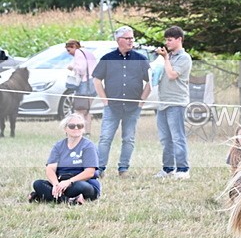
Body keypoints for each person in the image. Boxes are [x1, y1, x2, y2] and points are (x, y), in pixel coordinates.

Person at [92, 26, 152, 178]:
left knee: (129, 139)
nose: (131, 41)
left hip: (133, 108)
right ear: (119, 40)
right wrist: (105, 101)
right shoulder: (107, 58)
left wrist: (141, 102)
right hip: (112, 107)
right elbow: (97, 79)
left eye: (132, 38)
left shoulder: (141, 59)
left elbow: (151, 81)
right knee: (105, 138)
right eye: (128, 38)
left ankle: (123, 168)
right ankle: (100, 169)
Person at [28, 112, 101, 205]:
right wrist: (55, 184)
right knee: (38, 184)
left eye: (80, 126)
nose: (76, 128)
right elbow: (50, 168)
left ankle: (43, 196)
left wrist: (69, 182)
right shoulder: (58, 146)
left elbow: (89, 172)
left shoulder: (88, 146)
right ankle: (69, 200)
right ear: (65, 128)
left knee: (79, 187)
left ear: (83, 129)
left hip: (83, 183)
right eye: (72, 126)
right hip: (61, 183)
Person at [153, 26, 193, 179]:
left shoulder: (184, 58)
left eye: (170, 40)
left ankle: (183, 169)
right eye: (166, 40)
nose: (167, 43)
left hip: (176, 103)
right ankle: (168, 168)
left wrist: (166, 59)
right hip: (163, 102)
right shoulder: (167, 57)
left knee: (178, 137)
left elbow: (171, 75)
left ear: (179, 40)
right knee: (165, 139)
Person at [65, 39, 97, 135]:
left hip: (84, 84)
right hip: (93, 82)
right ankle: (87, 132)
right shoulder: (87, 52)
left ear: (74, 47)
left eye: (69, 50)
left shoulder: (78, 53)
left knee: (79, 110)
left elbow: (81, 69)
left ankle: (78, 131)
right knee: (87, 111)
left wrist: (72, 67)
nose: (69, 53)